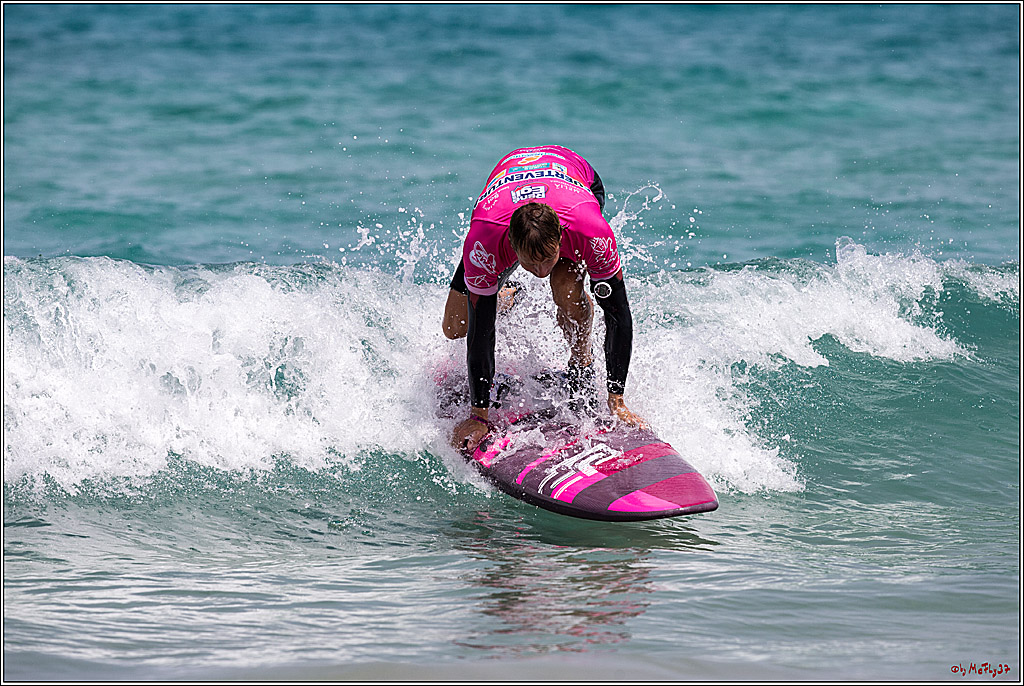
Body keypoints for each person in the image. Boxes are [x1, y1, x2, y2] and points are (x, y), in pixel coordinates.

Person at [443, 145, 644, 453]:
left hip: (578, 180)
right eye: (529, 263)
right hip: (506, 189)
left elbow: (618, 313)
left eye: (547, 259)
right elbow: (480, 331)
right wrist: (479, 415)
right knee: (456, 326)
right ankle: (504, 296)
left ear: (562, 240)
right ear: (511, 246)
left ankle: (581, 363)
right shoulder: (484, 238)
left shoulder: (591, 232)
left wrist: (616, 399)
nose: (539, 271)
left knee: (565, 288)